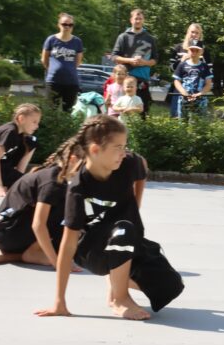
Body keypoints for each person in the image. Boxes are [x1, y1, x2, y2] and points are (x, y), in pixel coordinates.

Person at [35, 116, 183, 320]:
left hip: (129, 242)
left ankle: (116, 282)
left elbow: (141, 168)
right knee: (123, 229)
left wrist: (136, 204)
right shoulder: (78, 188)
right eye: (118, 147)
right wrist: (59, 302)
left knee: (171, 287)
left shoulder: (129, 163)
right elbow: (68, 245)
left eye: (125, 147)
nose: (123, 153)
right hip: (93, 251)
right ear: (95, 150)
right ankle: (119, 299)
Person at [0, 138, 82, 267]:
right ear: (73, 160)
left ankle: (14, 255)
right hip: (8, 234)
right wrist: (57, 263)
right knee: (68, 209)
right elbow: (38, 225)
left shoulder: (55, 175)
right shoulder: (53, 182)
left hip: (6, 232)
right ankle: (32, 252)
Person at [0, 103, 41, 198]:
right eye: (34, 122)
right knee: (27, 186)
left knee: (32, 142)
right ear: (21, 119)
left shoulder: (20, 135)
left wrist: (18, 178)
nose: (37, 126)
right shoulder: (10, 132)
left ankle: (9, 186)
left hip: (4, 169)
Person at [111, 8, 157, 118]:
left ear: (143, 20)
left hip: (142, 80)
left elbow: (155, 60)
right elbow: (114, 57)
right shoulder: (123, 37)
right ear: (131, 20)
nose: (138, 21)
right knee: (121, 113)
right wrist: (130, 60)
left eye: (140, 19)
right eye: (136, 18)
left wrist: (144, 62)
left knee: (143, 113)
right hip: (125, 80)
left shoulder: (150, 39)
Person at [42, 12, 84, 112]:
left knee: (68, 111)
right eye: (64, 24)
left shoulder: (77, 41)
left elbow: (78, 62)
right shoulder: (51, 40)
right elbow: (44, 59)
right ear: (59, 25)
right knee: (51, 111)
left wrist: (67, 69)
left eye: (70, 25)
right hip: (53, 81)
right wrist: (52, 70)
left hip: (71, 82)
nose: (67, 27)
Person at [167, 23, 208, 118]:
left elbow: (209, 70)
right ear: (187, 32)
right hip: (180, 87)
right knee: (177, 116)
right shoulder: (178, 48)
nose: (194, 35)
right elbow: (170, 69)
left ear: (200, 35)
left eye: (197, 33)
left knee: (197, 118)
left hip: (198, 89)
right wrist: (182, 61)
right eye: (192, 32)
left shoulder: (204, 50)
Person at [172, 39, 213, 118]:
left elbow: (208, 83)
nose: (194, 53)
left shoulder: (205, 66)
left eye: (197, 50)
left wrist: (199, 94)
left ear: (201, 52)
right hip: (184, 99)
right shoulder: (182, 65)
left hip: (201, 99)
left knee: (200, 122)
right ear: (188, 50)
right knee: (183, 122)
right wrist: (184, 92)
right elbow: (176, 81)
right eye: (192, 50)